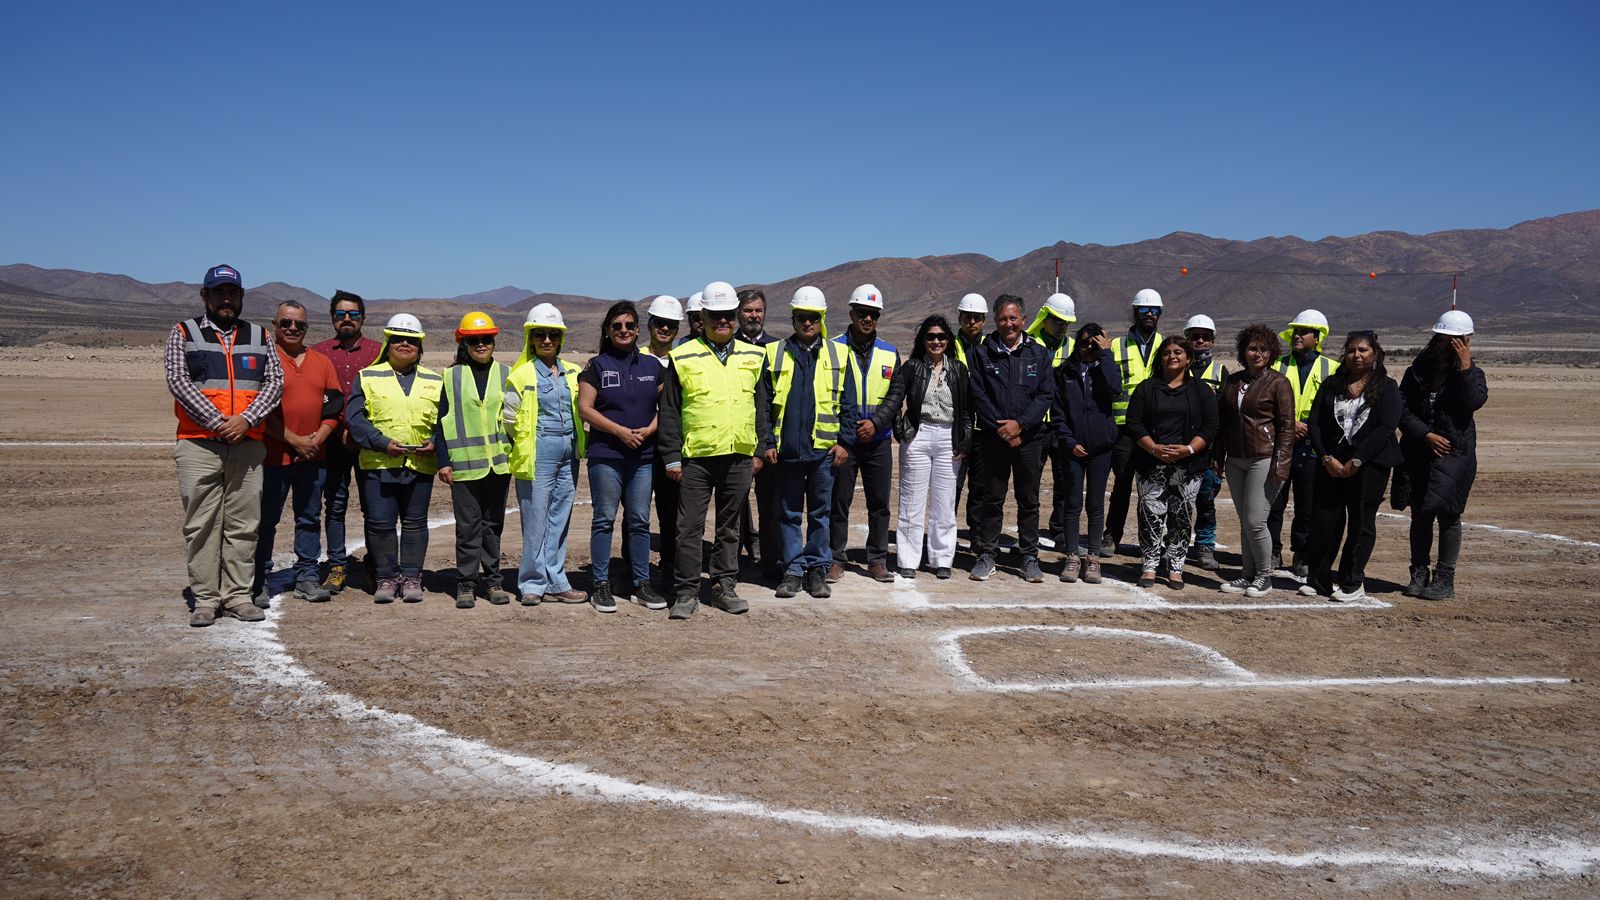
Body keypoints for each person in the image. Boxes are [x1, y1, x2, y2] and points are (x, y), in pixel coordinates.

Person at [167, 264, 283, 627]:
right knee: (202, 523)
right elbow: (178, 381)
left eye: (232, 293)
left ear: (242, 296)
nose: (226, 299)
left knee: (243, 523)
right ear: (205, 296)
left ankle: (237, 595)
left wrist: (246, 420)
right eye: (219, 293)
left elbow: (274, 383)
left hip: (247, 444)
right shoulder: (183, 332)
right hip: (199, 444)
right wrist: (218, 422)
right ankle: (205, 597)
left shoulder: (260, 335)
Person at [659, 281, 768, 618]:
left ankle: (723, 585)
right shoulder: (683, 356)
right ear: (703, 316)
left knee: (730, 525)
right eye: (715, 315)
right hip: (697, 459)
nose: (723, 321)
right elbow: (671, 411)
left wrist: (759, 451)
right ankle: (687, 591)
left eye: (727, 315)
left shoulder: (754, 355)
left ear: (735, 317)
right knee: (689, 527)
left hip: (738, 456)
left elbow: (761, 406)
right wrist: (672, 457)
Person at [757, 286, 855, 598]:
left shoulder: (839, 354)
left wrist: (845, 443)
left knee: (819, 513)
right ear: (793, 319)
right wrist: (767, 442)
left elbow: (849, 405)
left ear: (821, 319)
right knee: (787, 513)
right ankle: (792, 569)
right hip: (785, 452)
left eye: (813, 318)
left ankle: (817, 569)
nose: (807, 323)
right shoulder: (774, 353)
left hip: (823, 453)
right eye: (801, 317)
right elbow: (763, 404)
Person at [1298, 331, 1402, 602]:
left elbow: (1386, 428)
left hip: (1369, 466)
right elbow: (1316, 423)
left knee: (1360, 522)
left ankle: (1352, 582)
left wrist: (1358, 460)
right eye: (1352, 350)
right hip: (1331, 463)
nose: (1357, 355)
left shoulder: (1387, 386)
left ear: (1375, 354)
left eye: (1363, 350)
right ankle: (1318, 578)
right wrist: (1325, 457)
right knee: (1325, 520)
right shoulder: (1332, 384)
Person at [866, 314, 971, 579]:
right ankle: (908, 560)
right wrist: (901, 429)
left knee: (944, 503)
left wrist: (965, 439)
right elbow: (896, 397)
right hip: (919, 435)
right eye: (931, 336)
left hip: (949, 437)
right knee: (911, 502)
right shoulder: (912, 367)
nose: (936, 341)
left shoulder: (958, 369)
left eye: (941, 337)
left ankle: (942, 559)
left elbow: (967, 410)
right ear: (922, 340)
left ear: (949, 340)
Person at [346, 313, 442, 604]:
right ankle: (386, 578)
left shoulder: (434, 380)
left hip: (420, 464)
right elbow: (355, 418)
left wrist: (436, 442)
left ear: (420, 347)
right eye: (398, 339)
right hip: (378, 464)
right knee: (380, 523)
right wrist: (381, 443)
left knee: (415, 523)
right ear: (387, 343)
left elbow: (445, 420)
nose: (404, 344)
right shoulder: (368, 377)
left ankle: (412, 577)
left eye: (411, 340)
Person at [579, 301, 668, 613]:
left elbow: (665, 406)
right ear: (607, 330)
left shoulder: (651, 366)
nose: (624, 331)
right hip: (607, 456)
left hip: (642, 456)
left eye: (630, 326)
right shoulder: (596, 366)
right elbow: (585, 408)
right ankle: (601, 584)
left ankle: (642, 584)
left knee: (640, 520)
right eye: (617, 326)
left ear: (637, 330)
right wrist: (619, 431)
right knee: (604, 518)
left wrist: (648, 431)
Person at [255, 300, 341, 605]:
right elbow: (259, 410)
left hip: (313, 457)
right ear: (274, 325)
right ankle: (258, 580)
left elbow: (334, 406)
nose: (293, 328)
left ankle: (307, 576)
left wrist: (317, 439)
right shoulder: (265, 359)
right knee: (266, 520)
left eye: (300, 324)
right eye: (286, 323)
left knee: (308, 517)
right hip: (274, 457)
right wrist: (294, 440)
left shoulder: (321, 361)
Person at [1398, 310, 1487, 601]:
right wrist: (1425, 434)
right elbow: (1402, 410)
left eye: (1457, 340)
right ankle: (1419, 573)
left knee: (1449, 515)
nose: (1449, 344)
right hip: (1419, 451)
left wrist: (1465, 367)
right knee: (1420, 515)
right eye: (1444, 338)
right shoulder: (1416, 372)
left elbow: (1474, 401)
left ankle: (1445, 579)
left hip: (1455, 455)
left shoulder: (1470, 374)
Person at [967, 294, 1057, 582]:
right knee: (992, 499)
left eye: (1013, 318)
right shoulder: (982, 353)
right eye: (1003, 318)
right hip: (994, 440)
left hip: (1029, 439)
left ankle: (1029, 556)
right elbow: (978, 395)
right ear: (995, 321)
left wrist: (1020, 425)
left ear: (1023, 320)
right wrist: (1002, 428)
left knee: (1028, 499)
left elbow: (1045, 395)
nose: (1008, 323)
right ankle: (988, 554)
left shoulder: (1039, 354)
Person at [504, 304, 588, 605]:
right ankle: (531, 583)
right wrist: (531, 442)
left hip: (569, 451)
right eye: (541, 334)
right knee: (536, 517)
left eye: (553, 334)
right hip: (538, 451)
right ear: (531, 337)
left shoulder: (573, 372)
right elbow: (510, 419)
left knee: (560, 516)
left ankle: (556, 580)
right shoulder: (521, 374)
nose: (547, 340)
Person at [1124, 337, 1219, 589]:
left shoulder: (1201, 390)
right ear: (1160, 358)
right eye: (1167, 352)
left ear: (1189, 358)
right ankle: (1149, 566)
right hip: (1150, 463)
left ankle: (1176, 567)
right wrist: (1154, 448)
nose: (1172, 356)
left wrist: (1188, 449)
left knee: (1181, 516)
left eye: (1179, 352)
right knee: (1150, 516)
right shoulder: (1146, 388)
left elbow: (1211, 426)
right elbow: (1134, 423)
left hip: (1188, 466)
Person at [436, 311, 515, 610]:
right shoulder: (451, 376)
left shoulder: (507, 374)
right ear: (463, 343)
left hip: (498, 464)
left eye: (486, 340)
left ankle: (493, 580)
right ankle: (466, 583)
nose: (480, 345)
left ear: (493, 341)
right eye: (473, 341)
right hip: (464, 465)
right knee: (468, 526)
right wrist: (443, 461)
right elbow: (440, 423)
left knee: (492, 525)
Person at [1212, 324, 1295, 597]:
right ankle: (1247, 575)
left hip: (1264, 458)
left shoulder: (1279, 383)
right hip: (1235, 460)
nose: (1257, 353)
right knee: (1245, 520)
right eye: (1252, 348)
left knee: (1256, 520)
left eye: (1263, 349)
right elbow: (1224, 424)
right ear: (1243, 351)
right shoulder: (1233, 381)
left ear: (1272, 353)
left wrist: (1281, 464)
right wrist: (1218, 457)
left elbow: (1286, 426)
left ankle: (1263, 576)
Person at [827, 284, 900, 584]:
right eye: (862, 313)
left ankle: (877, 559)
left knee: (879, 503)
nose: (867, 319)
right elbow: (827, 394)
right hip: (846, 441)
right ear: (851, 313)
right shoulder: (833, 348)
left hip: (879, 440)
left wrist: (877, 423)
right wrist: (847, 431)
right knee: (838, 501)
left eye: (873, 314)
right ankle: (835, 558)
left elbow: (895, 395)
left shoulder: (890, 351)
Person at [311, 289, 382, 595]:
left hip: (368, 442)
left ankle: (374, 564)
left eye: (353, 314)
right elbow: (319, 397)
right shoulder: (319, 352)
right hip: (333, 442)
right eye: (341, 315)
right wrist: (340, 427)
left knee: (373, 506)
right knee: (336, 504)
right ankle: (337, 564)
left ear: (363, 318)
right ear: (332, 319)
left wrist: (362, 431)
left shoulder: (379, 351)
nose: (347, 320)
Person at [1267, 309, 1337, 577]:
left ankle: (1302, 553)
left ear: (1317, 337)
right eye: (1295, 331)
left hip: (1312, 444)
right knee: (1274, 501)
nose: (1297, 335)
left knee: (1307, 505)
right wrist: (1289, 423)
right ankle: (1272, 551)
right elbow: (1266, 398)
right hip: (1280, 441)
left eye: (1303, 331)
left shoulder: (1332, 368)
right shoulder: (1278, 365)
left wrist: (1311, 428)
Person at [1051, 322, 1119, 584]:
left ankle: (1093, 558)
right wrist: (1069, 441)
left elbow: (1115, 389)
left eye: (1095, 343)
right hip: (1072, 448)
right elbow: (1058, 413)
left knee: (1095, 504)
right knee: (1072, 504)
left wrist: (1106, 355)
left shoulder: (1105, 369)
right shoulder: (1064, 373)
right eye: (1084, 342)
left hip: (1101, 448)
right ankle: (1071, 557)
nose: (1088, 347)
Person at [1103, 289, 1166, 558]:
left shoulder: (1167, 344)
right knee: (1122, 485)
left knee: (1155, 488)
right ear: (1135, 312)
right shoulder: (1116, 345)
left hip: (1156, 427)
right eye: (1144, 310)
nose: (1150, 314)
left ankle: (1153, 540)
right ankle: (1111, 536)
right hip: (1124, 427)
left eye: (1155, 311)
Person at [735, 288, 782, 581]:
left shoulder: (778, 348)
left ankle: (770, 562)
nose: (754, 315)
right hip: (737, 437)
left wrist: (770, 440)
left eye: (758, 310)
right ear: (739, 313)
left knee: (770, 504)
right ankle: (733, 561)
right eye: (748, 310)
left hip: (768, 439)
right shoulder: (729, 345)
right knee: (735, 503)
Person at [1027, 293, 1077, 550]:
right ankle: (1029, 533)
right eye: (1058, 321)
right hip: (1035, 425)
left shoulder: (1074, 348)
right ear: (1045, 318)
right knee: (1031, 482)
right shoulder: (1028, 344)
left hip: (1062, 425)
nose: (1062, 326)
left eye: (1066, 323)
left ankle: (1059, 529)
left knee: (1064, 479)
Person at [643, 295, 684, 589]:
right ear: (650, 324)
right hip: (641, 446)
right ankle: (635, 569)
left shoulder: (683, 361)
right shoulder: (637, 358)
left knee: (672, 513)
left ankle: (670, 565)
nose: (665, 329)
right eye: (660, 323)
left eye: (670, 324)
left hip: (672, 446)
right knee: (637, 511)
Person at [1183, 314, 1226, 572]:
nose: (1200, 341)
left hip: (1208, 452)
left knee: (1205, 501)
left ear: (1213, 340)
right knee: (1178, 501)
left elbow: (1226, 417)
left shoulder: (1221, 373)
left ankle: (1204, 545)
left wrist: (1219, 455)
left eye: (1205, 337)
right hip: (1179, 448)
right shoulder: (1176, 366)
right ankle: (1175, 542)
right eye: (1195, 336)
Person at [952, 292, 987, 537]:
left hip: (984, 428)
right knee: (951, 485)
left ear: (984, 320)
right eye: (967, 317)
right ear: (960, 318)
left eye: (977, 318)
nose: (972, 322)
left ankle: (977, 535)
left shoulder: (992, 347)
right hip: (955, 428)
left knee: (980, 486)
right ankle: (945, 535)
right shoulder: (947, 346)